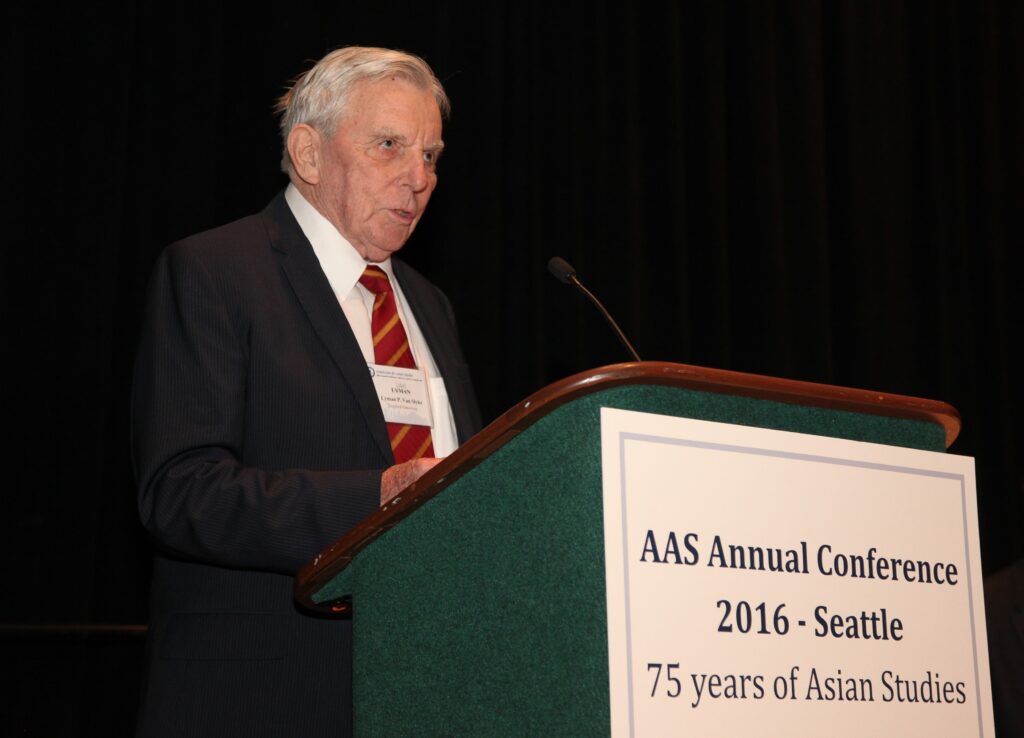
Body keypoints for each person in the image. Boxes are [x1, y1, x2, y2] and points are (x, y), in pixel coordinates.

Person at [131, 46, 481, 738]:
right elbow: (180, 491)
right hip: (264, 693)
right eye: (390, 146)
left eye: (432, 156)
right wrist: (376, 500)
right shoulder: (216, 272)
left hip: (424, 690)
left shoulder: (429, 305)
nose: (419, 178)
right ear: (309, 154)